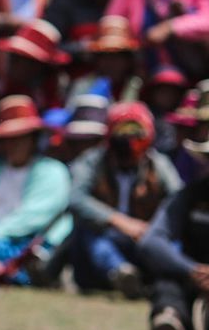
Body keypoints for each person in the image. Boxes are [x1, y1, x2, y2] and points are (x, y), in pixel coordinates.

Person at [69, 101, 182, 297]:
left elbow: (178, 200)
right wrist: (118, 221)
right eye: (123, 136)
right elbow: (75, 198)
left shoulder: (158, 165)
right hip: (103, 241)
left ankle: (169, 278)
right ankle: (121, 273)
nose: (129, 143)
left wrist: (154, 228)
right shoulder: (93, 161)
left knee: (173, 240)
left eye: (136, 135)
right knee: (86, 230)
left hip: (145, 240)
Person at [0, 96, 73, 284]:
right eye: (8, 139)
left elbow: (35, 215)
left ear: (33, 138)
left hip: (26, 240)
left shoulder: (52, 171)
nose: (13, 145)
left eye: (20, 138)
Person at [137, 135, 209, 330]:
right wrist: (193, 270)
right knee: (167, 280)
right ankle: (170, 320)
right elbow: (152, 241)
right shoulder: (191, 195)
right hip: (192, 281)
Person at [0, 20, 70, 111]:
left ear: (38, 65)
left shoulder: (53, 97)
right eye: (13, 56)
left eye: (20, 57)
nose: (12, 62)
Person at [66, 15, 142, 105]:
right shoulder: (82, 86)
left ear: (128, 60)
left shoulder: (139, 86)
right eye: (106, 56)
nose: (111, 63)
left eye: (117, 56)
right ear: (97, 59)